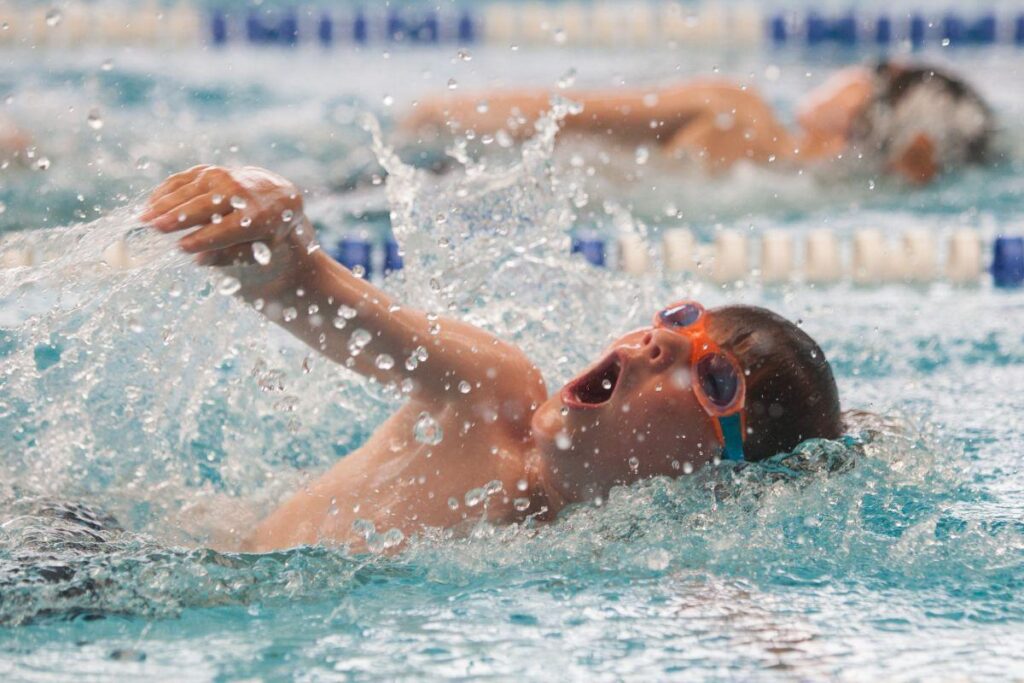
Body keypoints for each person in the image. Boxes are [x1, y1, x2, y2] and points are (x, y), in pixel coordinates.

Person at [140, 165, 843, 552]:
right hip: (101, 557)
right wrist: (277, 234)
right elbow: (309, 287)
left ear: (717, 477)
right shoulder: (491, 393)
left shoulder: (603, 562)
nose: (658, 341)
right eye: (680, 321)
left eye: (714, 378)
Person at [403, 60, 995, 185]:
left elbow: (565, 115)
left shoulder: (735, 110)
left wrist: (438, 112)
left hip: (459, 179)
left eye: (868, 72)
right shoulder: (821, 196)